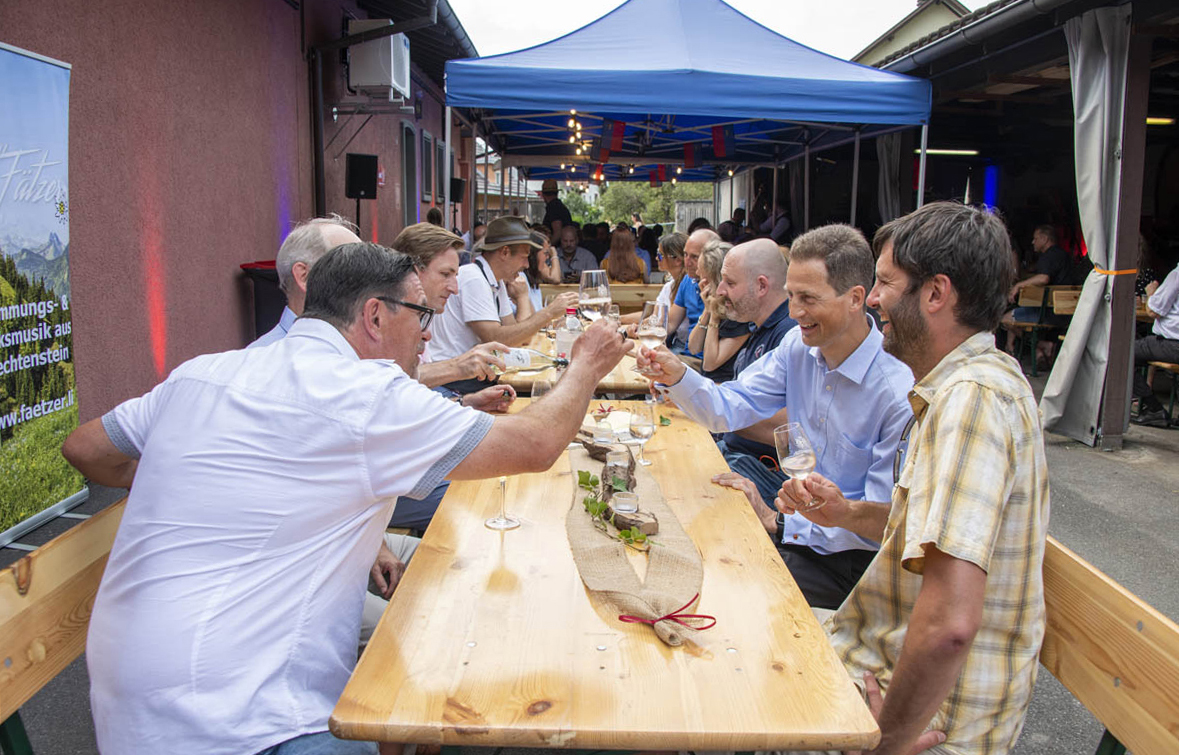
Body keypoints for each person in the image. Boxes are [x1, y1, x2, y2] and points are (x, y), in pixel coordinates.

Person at [62, 241, 633, 755]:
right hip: (243, 722)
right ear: (375, 315)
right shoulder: (363, 391)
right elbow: (534, 445)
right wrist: (585, 363)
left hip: (123, 704)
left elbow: (86, 448)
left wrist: (188, 479)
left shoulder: (204, 372)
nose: (431, 332)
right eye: (423, 315)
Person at [781, 202, 1051, 755]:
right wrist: (848, 513)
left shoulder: (971, 402)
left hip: (934, 720)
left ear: (935, 294)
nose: (872, 298)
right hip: (889, 661)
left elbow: (950, 625)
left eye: (883, 283)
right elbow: (939, 535)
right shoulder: (970, 385)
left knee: (727, 671)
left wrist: (885, 743)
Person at [637, 224, 913, 610]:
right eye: (791, 295)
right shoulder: (797, 347)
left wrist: (776, 521)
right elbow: (727, 407)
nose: (795, 312)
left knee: (719, 580)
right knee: (688, 526)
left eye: (808, 298)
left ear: (855, 299)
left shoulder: (895, 390)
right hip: (798, 524)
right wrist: (677, 376)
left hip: (851, 562)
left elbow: (886, 524)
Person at [428, 216, 578, 394]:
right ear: (505, 252)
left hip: (472, 378)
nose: (525, 265)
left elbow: (516, 336)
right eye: (524, 257)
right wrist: (549, 312)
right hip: (454, 384)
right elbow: (498, 339)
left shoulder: (494, 281)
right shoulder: (474, 278)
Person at [708, 238, 797, 495]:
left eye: (730, 282)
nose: (720, 290)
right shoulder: (759, 326)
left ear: (761, 286)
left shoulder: (790, 334)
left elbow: (784, 428)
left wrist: (706, 406)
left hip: (759, 470)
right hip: (736, 455)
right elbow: (742, 398)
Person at [253, 214, 361, 348]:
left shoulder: (360, 348)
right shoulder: (263, 358)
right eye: (351, 265)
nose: (366, 281)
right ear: (304, 276)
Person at [1002, 224, 1091, 361]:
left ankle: (1041, 345)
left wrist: (1019, 285)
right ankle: (1034, 352)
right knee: (1018, 312)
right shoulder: (1064, 255)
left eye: (1035, 238)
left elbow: (1044, 278)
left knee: (1005, 319)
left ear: (1044, 239)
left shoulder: (1048, 257)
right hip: (1067, 311)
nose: (1033, 242)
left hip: (1049, 313)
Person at [687, 239, 749, 382]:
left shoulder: (741, 314)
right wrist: (707, 310)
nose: (696, 272)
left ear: (714, 278)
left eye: (701, 272)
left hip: (724, 387)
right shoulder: (717, 304)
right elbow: (693, 347)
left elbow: (710, 363)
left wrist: (714, 316)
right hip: (708, 383)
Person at [1131, 260, 1179, 426]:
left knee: (1121, 353)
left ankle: (1153, 409)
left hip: (1173, 344)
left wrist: (1152, 292)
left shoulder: (1177, 275)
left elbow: (1153, 311)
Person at [667, 228, 718, 357]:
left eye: (694, 257)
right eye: (685, 254)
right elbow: (671, 323)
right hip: (686, 355)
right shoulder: (688, 280)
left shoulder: (722, 288)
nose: (687, 262)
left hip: (704, 361)